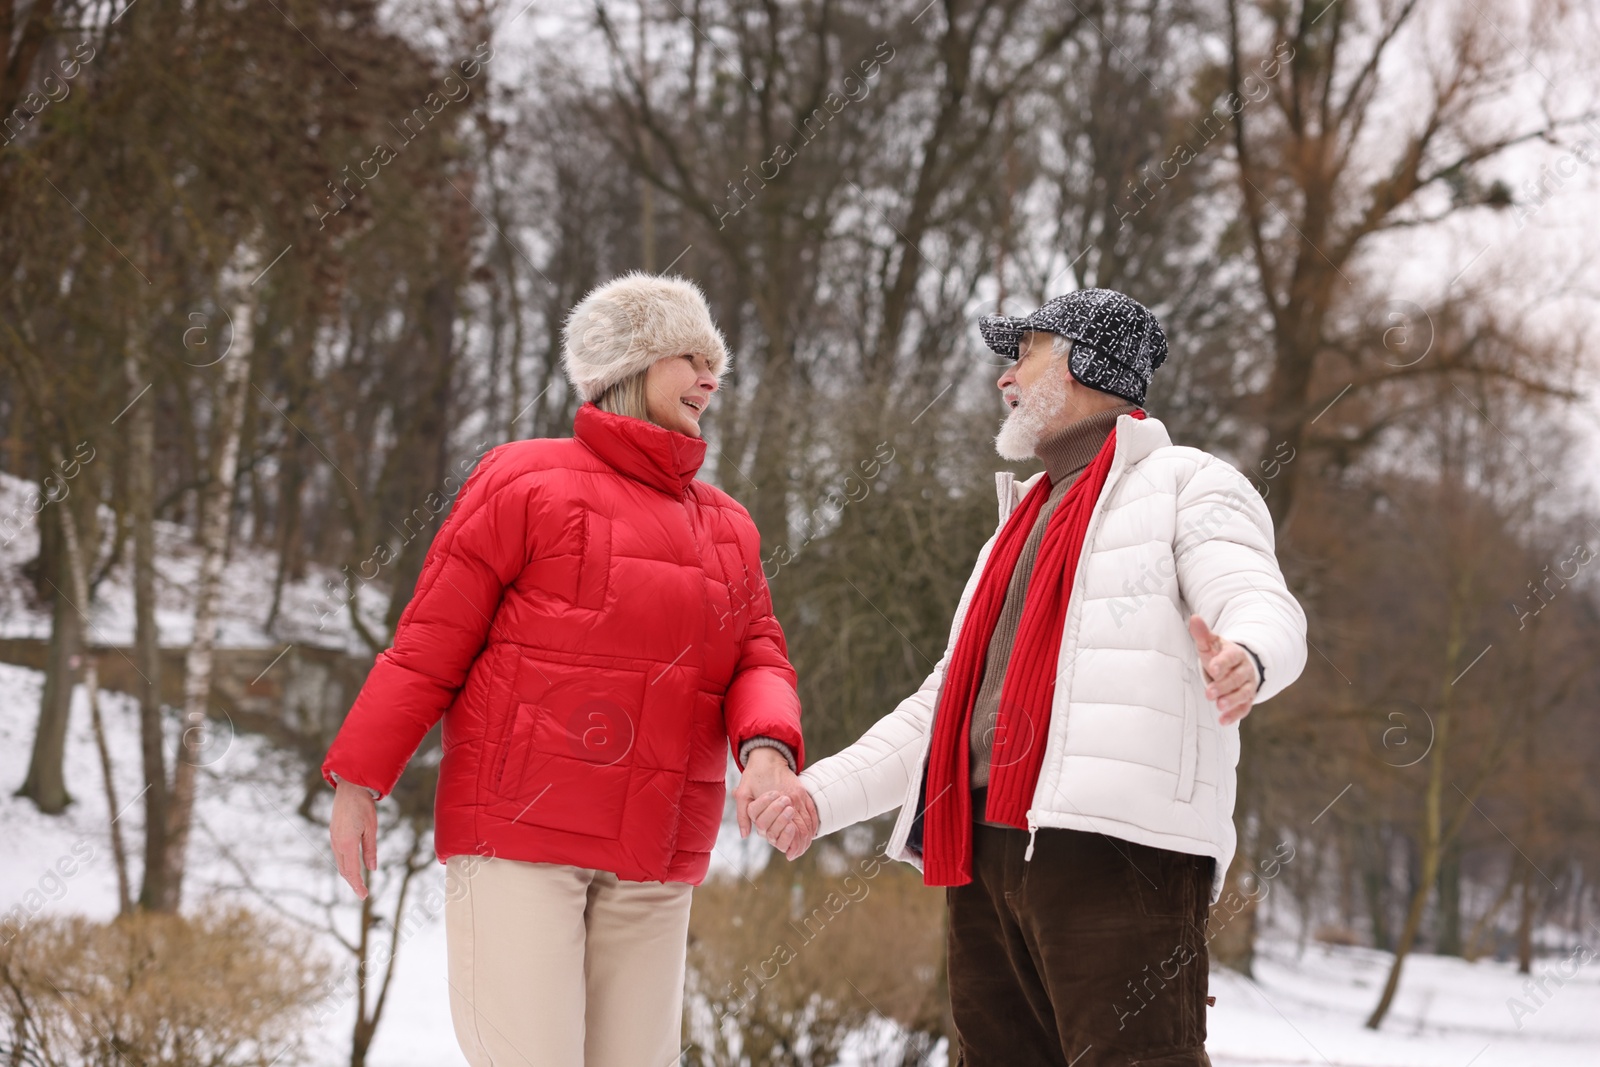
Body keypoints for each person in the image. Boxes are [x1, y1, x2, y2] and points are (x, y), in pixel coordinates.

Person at [753, 288, 1307, 1067]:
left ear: (1084, 361)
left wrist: (1248, 654)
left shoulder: (1188, 484)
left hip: (1120, 853)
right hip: (983, 851)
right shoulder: (1013, 527)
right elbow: (944, 707)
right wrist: (818, 796)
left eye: (1025, 354)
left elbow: (1257, 597)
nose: (1005, 377)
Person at [322, 271, 813, 1067]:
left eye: (713, 361)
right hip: (522, 839)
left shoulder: (729, 526)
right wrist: (358, 779)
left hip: (656, 852)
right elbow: (429, 644)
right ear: (629, 363)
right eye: (689, 356)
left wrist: (766, 751)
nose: (709, 378)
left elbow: (759, 653)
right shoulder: (522, 478)